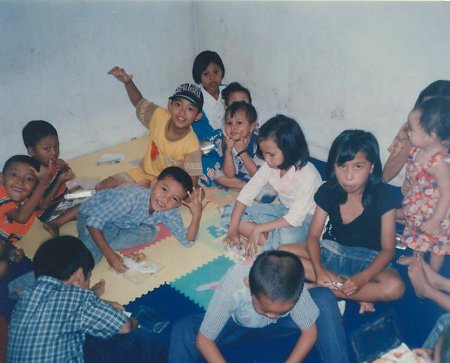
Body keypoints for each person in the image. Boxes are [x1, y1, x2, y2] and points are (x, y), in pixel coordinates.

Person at [280, 130, 405, 313]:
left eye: (358, 167)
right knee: (283, 254)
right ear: (334, 165)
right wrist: (318, 270)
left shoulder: (383, 197)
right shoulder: (329, 191)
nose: (348, 176)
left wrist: (362, 278)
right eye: (342, 166)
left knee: (395, 287)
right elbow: (313, 236)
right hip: (332, 252)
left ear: (371, 167)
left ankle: (329, 289)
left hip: (369, 262)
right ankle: (355, 293)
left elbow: (388, 250)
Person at [168, 250, 350, 363]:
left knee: (324, 297)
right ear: (249, 285)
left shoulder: (292, 279)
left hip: (281, 325)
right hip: (237, 326)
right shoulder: (234, 285)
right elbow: (204, 340)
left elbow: (309, 333)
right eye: (266, 309)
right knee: (184, 329)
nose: (270, 316)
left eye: (279, 310)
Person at [6, 235, 145, 363]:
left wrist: (94, 297)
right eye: (89, 277)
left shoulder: (26, 297)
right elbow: (124, 327)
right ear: (79, 275)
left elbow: (59, 309)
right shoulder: (77, 300)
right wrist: (133, 322)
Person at [44, 166, 206, 273]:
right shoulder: (130, 198)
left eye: (174, 199)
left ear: (178, 204)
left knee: (149, 233)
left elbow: (187, 240)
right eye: (164, 189)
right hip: (91, 217)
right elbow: (93, 223)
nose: (165, 199)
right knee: (86, 261)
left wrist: (196, 215)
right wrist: (110, 255)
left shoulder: (168, 210)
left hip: (119, 222)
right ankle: (31, 282)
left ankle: (102, 241)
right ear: (154, 183)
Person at [222, 115, 322, 256]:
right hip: (284, 211)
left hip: (307, 220)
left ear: (290, 150)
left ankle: (265, 236)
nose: (267, 160)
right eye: (264, 154)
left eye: (271, 155)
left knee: (287, 238)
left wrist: (258, 229)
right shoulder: (270, 166)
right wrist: (232, 231)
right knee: (229, 212)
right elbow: (246, 194)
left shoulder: (308, 174)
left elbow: (295, 218)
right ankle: (268, 237)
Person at [96, 66, 203, 190]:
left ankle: (141, 195)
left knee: (193, 193)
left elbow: (193, 181)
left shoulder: (192, 145)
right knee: (102, 187)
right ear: (169, 105)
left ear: (197, 116)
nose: (182, 112)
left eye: (190, 109)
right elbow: (139, 101)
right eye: (178, 105)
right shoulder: (159, 116)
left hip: (166, 185)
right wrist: (128, 82)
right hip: (142, 172)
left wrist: (162, 186)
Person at [397, 97, 450, 272]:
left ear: (431, 135)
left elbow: (447, 193)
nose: (408, 133)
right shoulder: (416, 150)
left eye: (411, 130)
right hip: (419, 206)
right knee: (416, 233)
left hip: (439, 213)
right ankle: (416, 258)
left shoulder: (439, 163)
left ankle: (431, 273)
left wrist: (435, 220)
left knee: (437, 246)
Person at [383, 80, 450, 189]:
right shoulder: (411, 129)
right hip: (411, 200)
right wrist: (414, 140)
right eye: (423, 108)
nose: (425, 118)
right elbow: (386, 176)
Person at [22, 120, 75, 221]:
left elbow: (70, 175)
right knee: (85, 207)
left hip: (65, 199)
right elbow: (43, 206)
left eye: (56, 146)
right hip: (49, 212)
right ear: (31, 151)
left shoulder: (55, 163)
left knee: (97, 195)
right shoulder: (32, 176)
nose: (54, 152)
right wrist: (59, 181)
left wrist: (64, 168)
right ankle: (54, 224)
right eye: (47, 149)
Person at [191, 50, 226, 187]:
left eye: (216, 72)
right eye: (206, 74)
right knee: (202, 165)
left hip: (228, 140)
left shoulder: (228, 92)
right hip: (207, 144)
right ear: (199, 77)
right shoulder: (196, 98)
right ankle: (239, 183)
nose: (212, 78)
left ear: (222, 72)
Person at [0, 155, 52, 243]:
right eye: (14, 174)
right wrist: (43, 184)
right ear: (1, 178)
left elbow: (44, 205)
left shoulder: (28, 201)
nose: (20, 182)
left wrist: (60, 180)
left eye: (29, 179)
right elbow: (21, 217)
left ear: (35, 185)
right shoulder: (1, 192)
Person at [214, 101, 261, 190]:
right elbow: (230, 174)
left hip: (256, 173)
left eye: (239, 123)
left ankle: (258, 189)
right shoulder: (228, 143)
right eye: (229, 123)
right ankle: (248, 188)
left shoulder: (257, 142)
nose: (233, 127)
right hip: (240, 177)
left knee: (269, 180)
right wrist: (228, 151)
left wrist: (242, 151)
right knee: (217, 175)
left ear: (251, 127)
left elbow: (256, 174)